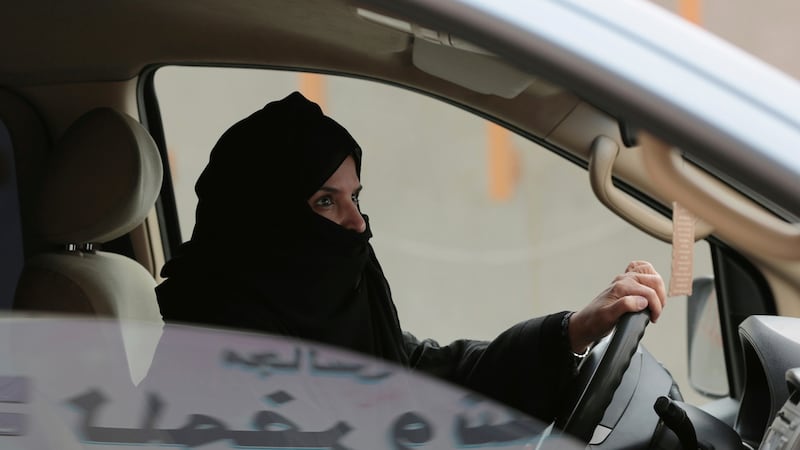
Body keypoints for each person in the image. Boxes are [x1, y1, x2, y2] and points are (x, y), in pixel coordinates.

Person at [155, 91, 667, 423]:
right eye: (325, 201)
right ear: (263, 220)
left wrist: (571, 331)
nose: (357, 224)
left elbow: (426, 375)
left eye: (355, 197)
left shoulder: (331, 324)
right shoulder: (208, 363)